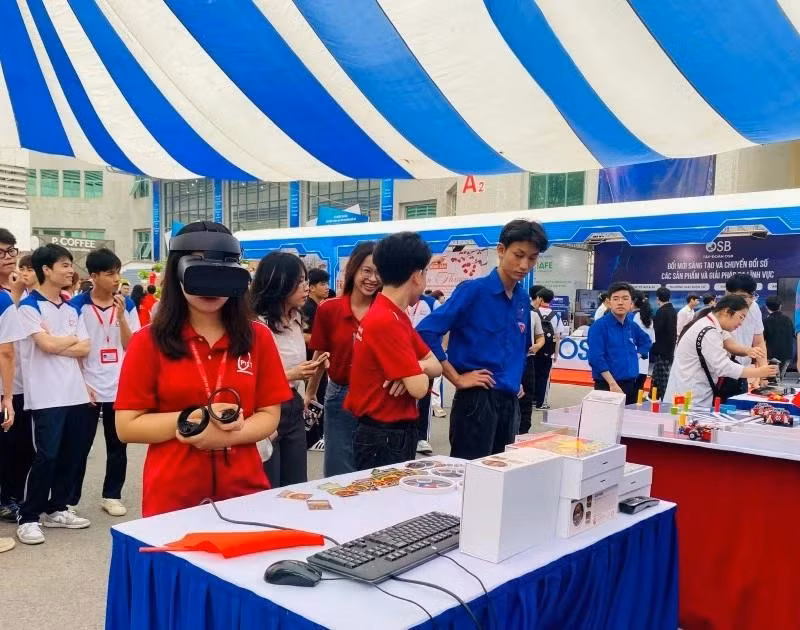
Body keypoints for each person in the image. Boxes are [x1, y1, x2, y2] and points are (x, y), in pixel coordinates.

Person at [115, 222, 290, 516]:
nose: (211, 280)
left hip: (245, 493)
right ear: (176, 272)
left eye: (222, 267)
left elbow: (270, 415)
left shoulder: (258, 337)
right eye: (197, 265)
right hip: (172, 496)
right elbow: (127, 425)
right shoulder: (148, 341)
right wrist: (196, 418)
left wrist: (226, 437)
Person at [417, 220, 549, 459]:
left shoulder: (521, 299)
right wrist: (456, 378)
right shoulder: (473, 291)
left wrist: (514, 379)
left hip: (510, 402)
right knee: (470, 476)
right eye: (518, 255)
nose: (524, 265)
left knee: (500, 477)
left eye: (532, 258)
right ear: (501, 250)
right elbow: (426, 331)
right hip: (477, 401)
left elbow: (518, 345)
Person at [16, 244, 92, 545]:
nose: (70, 270)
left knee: (72, 454)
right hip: (46, 395)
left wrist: (58, 340)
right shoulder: (28, 307)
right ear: (46, 269)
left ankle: (56, 508)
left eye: (70, 264)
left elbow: (86, 347)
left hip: (74, 393)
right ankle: (29, 516)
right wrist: (67, 341)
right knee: (46, 456)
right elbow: (43, 346)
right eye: (64, 264)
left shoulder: (72, 307)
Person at [346, 233, 442, 468]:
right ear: (417, 276)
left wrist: (413, 368)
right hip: (384, 436)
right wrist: (415, 371)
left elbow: (435, 365)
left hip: (389, 433)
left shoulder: (394, 314)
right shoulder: (387, 320)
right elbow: (419, 388)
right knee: (384, 503)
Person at [69, 248, 140, 517]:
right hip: (87, 385)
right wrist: (80, 383)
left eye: (118, 273)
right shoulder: (77, 307)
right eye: (110, 274)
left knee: (117, 445)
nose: (116, 279)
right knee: (79, 446)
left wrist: (121, 318)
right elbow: (76, 349)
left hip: (119, 386)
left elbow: (131, 346)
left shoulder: (127, 305)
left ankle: (112, 495)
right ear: (94, 276)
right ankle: (69, 499)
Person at [251, 252, 327, 487]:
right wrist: (293, 374)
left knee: (295, 485)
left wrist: (305, 392)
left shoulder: (296, 319)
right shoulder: (256, 325)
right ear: (279, 283)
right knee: (268, 484)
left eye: (306, 280)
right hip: (265, 407)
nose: (306, 287)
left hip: (293, 403)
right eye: (300, 281)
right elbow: (250, 378)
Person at [305, 242, 380, 476]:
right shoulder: (329, 309)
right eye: (366, 271)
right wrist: (310, 392)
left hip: (378, 397)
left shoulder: (387, 310)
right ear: (353, 270)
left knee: (373, 468)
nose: (372, 278)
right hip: (339, 395)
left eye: (379, 272)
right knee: (338, 468)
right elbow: (320, 354)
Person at [664, 296, 777, 407]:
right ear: (727, 312)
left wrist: (748, 351)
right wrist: (759, 372)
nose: (741, 323)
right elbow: (724, 367)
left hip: (691, 395)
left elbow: (731, 345)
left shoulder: (710, 325)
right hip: (689, 400)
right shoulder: (709, 331)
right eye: (741, 317)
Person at [0, 240, 34, 528]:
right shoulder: (4, 299)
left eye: (12, 251)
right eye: (1, 253)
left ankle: (11, 497)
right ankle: (7, 500)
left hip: (22, 382)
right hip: (7, 388)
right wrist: (8, 396)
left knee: (20, 448)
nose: (8, 257)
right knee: (14, 447)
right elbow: (6, 349)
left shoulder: (14, 295)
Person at [587, 282, 653, 404]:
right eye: (616, 299)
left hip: (631, 384)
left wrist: (638, 354)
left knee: (629, 420)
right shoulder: (599, 327)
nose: (620, 302)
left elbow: (646, 341)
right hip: (607, 386)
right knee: (608, 422)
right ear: (609, 302)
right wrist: (612, 384)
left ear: (631, 303)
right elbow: (595, 358)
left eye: (625, 298)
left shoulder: (632, 326)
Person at [724, 274, 767, 392]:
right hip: (723, 372)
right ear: (729, 294)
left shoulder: (754, 308)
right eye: (743, 296)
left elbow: (759, 342)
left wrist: (764, 374)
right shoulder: (722, 312)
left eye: (751, 296)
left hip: (744, 372)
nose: (749, 300)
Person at [406, 292, 434, 455]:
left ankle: (422, 437)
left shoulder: (431, 303)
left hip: (424, 356)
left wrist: (440, 350)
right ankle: (408, 433)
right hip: (403, 355)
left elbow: (442, 329)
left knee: (425, 395)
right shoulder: (398, 302)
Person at [533, 288, 566, 410]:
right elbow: (557, 337)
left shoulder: (533, 313)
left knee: (532, 374)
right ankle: (541, 403)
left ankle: (532, 400)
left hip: (534, 350)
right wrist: (556, 354)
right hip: (548, 352)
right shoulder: (556, 316)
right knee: (544, 377)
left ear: (540, 299)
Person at [519, 285, 545, 434]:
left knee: (526, 399)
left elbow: (540, 336)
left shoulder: (533, 315)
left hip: (527, 361)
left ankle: (523, 432)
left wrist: (537, 346)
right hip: (506, 362)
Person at [650, 287, 677, 399]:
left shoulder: (661, 312)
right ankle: (653, 397)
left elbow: (658, 331)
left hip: (662, 350)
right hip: (669, 349)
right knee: (656, 376)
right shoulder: (672, 310)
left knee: (663, 379)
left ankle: (665, 400)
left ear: (658, 298)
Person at [763, 296, 794, 380]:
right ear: (780, 306)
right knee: (780, 378)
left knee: (771, 379)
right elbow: (793, 334)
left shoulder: (766, 321)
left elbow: (762, 340)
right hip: (787, 354)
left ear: (766, 307)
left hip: (772, 356)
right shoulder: (788, 319)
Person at [632, 291, 656, 392]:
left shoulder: (633, 317)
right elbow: (652, 340)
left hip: (633, 360)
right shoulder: (649, 319)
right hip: (644, 361)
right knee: (639, 390)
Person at [302, 268, 330, 347]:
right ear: (312, 288)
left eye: (327, 284)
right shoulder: (308, 308)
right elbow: (303, 335)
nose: (327, 287)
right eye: (323, 284)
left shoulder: (319, 306)